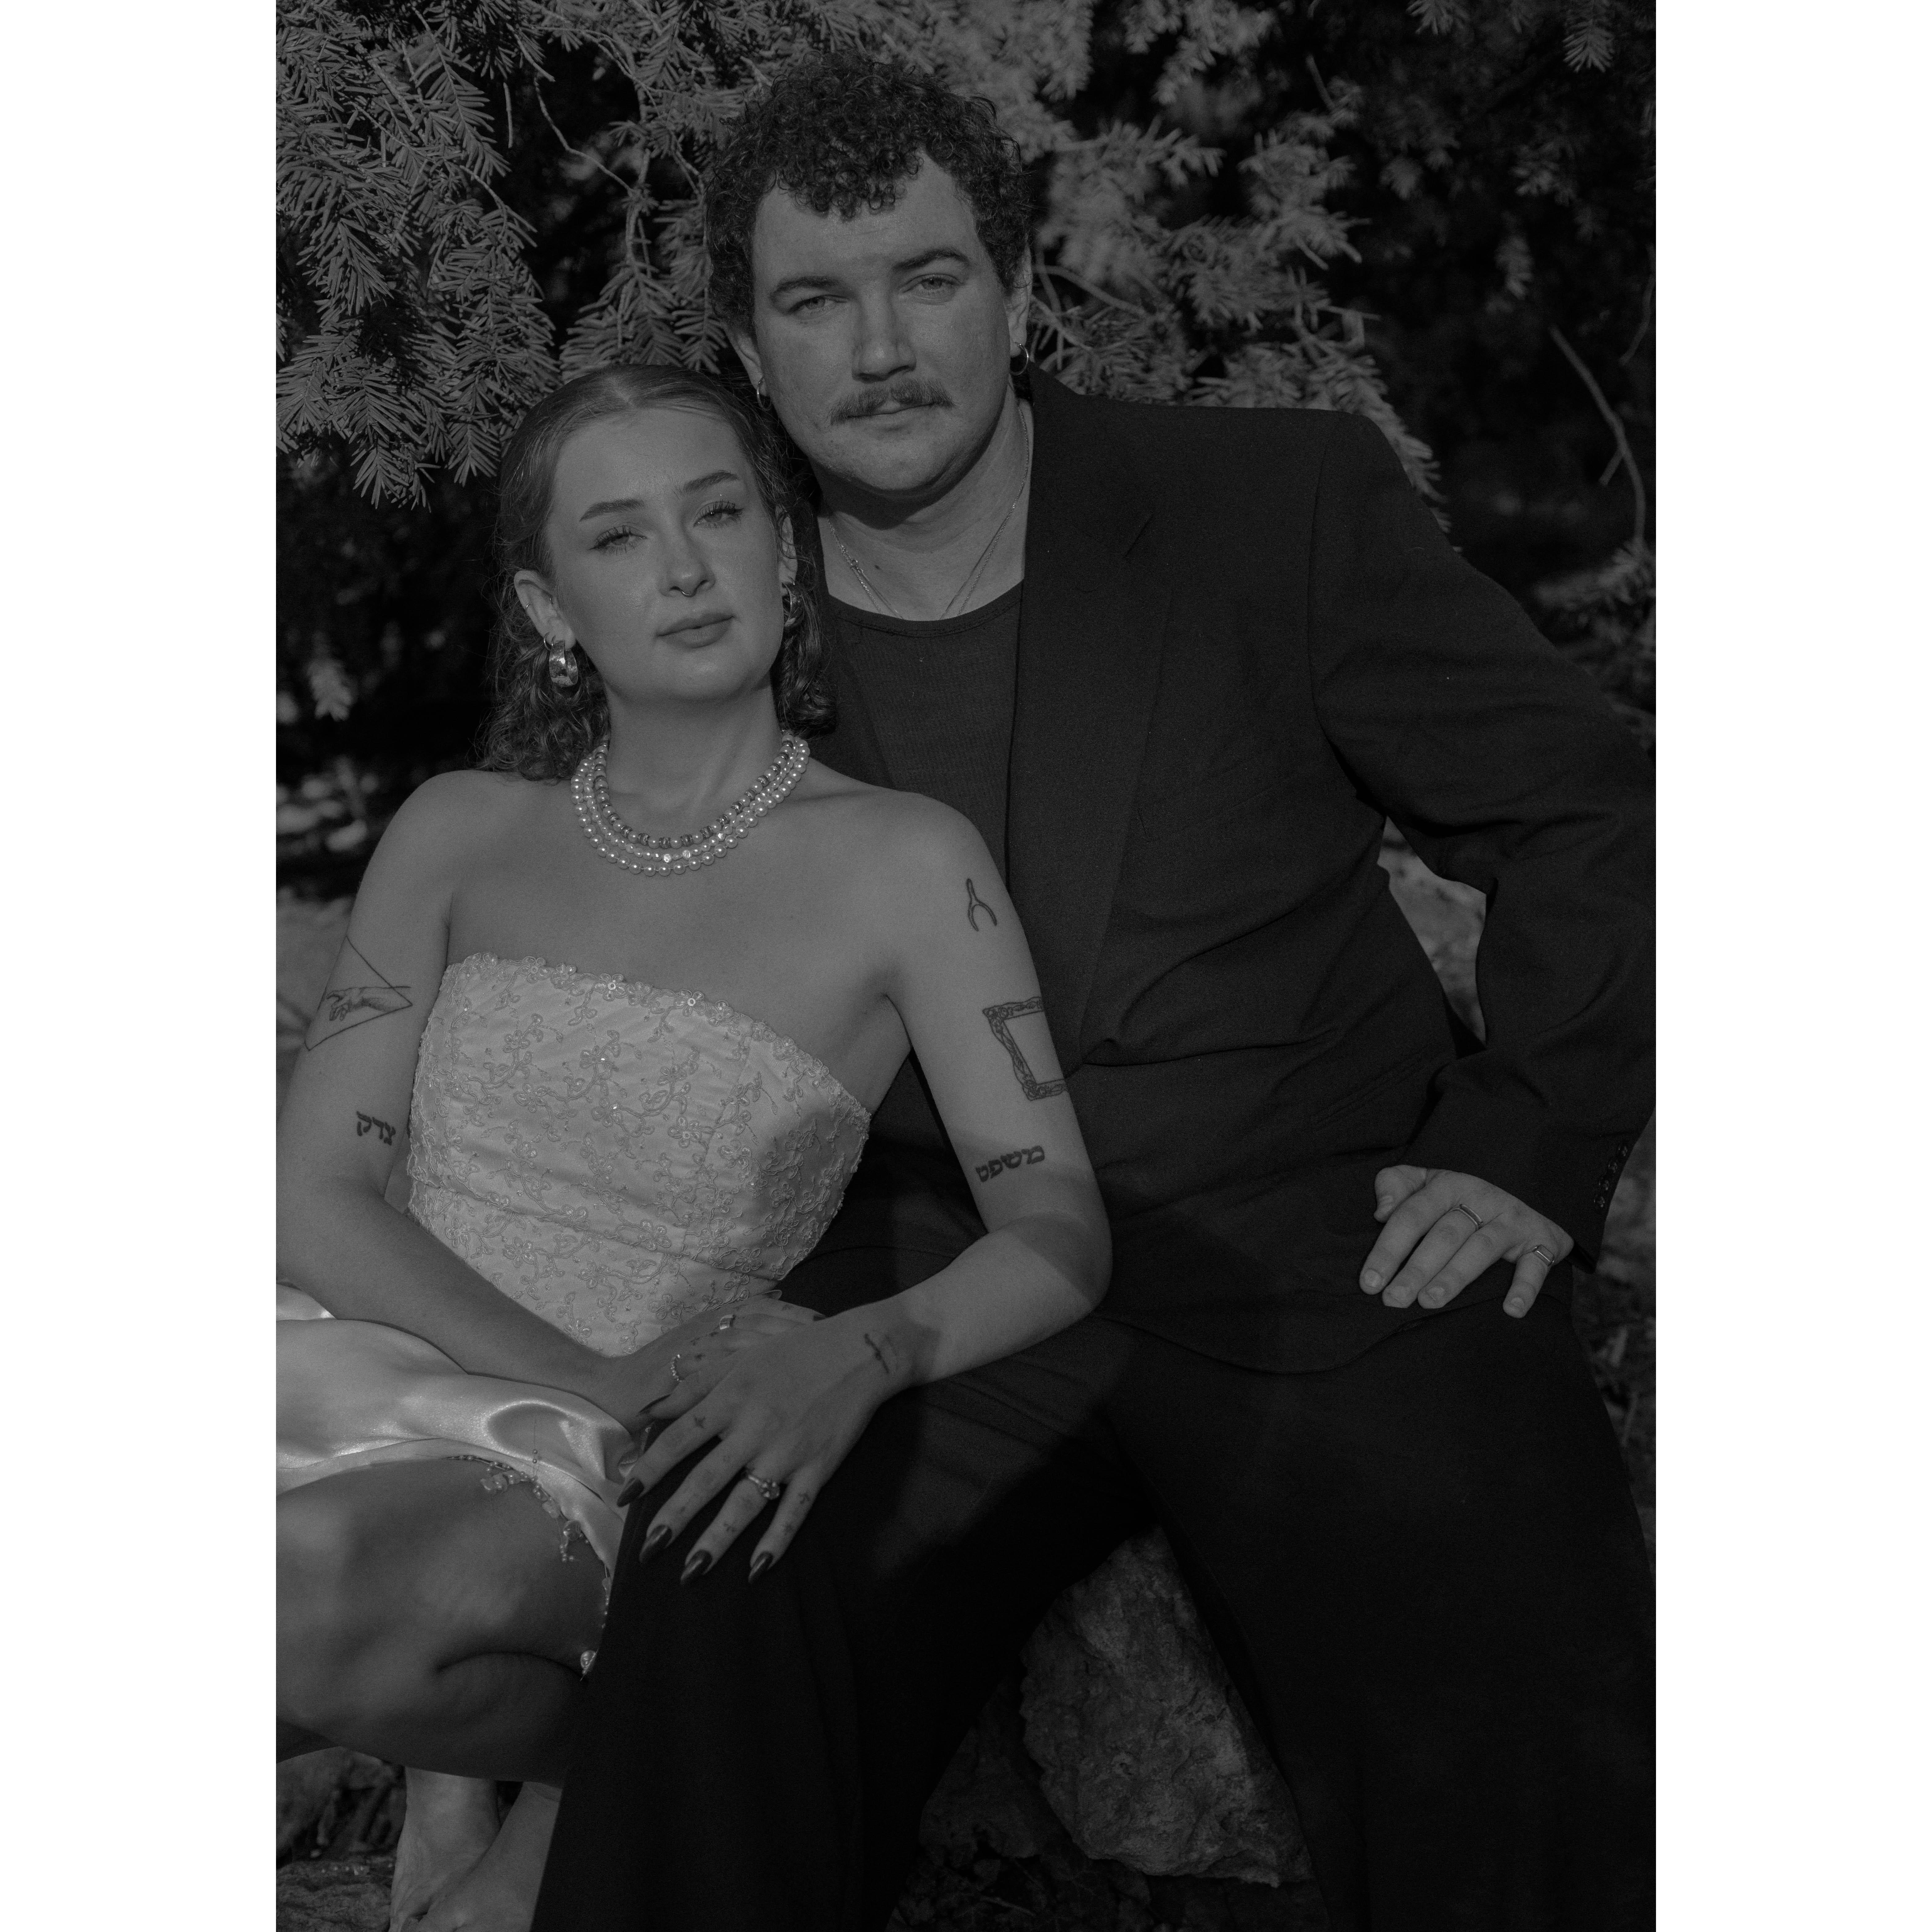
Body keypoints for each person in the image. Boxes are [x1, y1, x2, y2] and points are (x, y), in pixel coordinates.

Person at [532, 51, 1655, 1932]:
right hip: (930, 1265)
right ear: (747, 345)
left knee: (1512, 1688)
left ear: (1022, 288)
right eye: (814, 301)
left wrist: (1530, 1143)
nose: (879, 349)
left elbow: (1594, 811)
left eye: (930, 280)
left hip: (1328, 1241)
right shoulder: (720, 600)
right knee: (723, 1571)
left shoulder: (1268, 509)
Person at [275, 363, 1112, 1932]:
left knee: (284, 1595)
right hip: (361, 1363)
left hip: (617, 1452)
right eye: (618, 534)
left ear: (783, 556)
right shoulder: (457, 828)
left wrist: (867, 1347)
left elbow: (1057, 1224)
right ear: (548, 607)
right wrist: (564, 1369)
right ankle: (535, 1797)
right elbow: (311, 1191)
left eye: (718, 512)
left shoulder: (906, 863)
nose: (683, 566)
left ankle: (592, 1797)